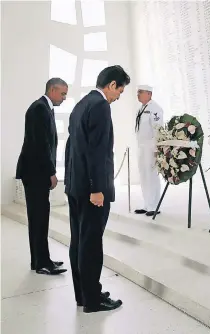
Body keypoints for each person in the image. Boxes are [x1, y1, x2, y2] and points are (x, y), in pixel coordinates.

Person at [64, 65, 130, 313]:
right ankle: (93, 300)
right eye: (119, 92)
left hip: (75, 186)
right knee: (91, 244)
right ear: (112, 85)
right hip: (90, 190)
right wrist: (97, 189)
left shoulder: (82, 103)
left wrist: (72, 182)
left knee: (79, 242)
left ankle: (84, 294)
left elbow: (73, 147)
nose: (117, 97)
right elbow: (97, 152)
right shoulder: (101, 106)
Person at [16, 78, 68, 275]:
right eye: (62, 94)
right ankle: (42, 263)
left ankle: (40, 260)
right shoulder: (39, 108)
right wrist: (51, 172)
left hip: (35, 172)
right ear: (52, 90)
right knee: (39, 218)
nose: (64, 98)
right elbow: (40, 145)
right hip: (36, 172)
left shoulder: (44, 108)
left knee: (40, 218)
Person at [134, 85, 164, 217]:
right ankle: (147, 204)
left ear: (149, 94)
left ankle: (155, 205)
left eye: (140, 92)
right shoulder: (141, 109)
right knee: (143, 174)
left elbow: (158, 129)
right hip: (141, 146)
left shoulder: (155, 109)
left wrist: (157, 148)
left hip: (151, 146)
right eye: (138, 92)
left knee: (151, 175)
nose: (138, 94)